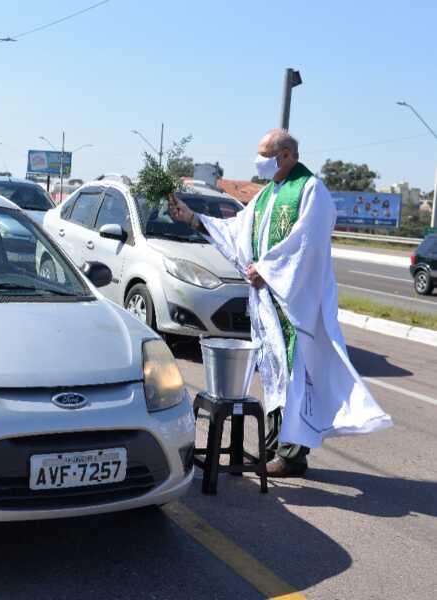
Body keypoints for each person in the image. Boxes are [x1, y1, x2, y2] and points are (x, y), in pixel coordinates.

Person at [168, 129, 392, 477]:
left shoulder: (310, 190)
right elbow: (237, 230)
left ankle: (291, 456)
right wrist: (193, 218)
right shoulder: (267, 195)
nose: (259, 161)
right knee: (274, 377)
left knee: (294, 376)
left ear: (286, 155)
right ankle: (275, 448)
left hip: (295, 304)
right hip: (268, 304)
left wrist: (269, 271)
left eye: (265, 154)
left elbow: (309, 243)